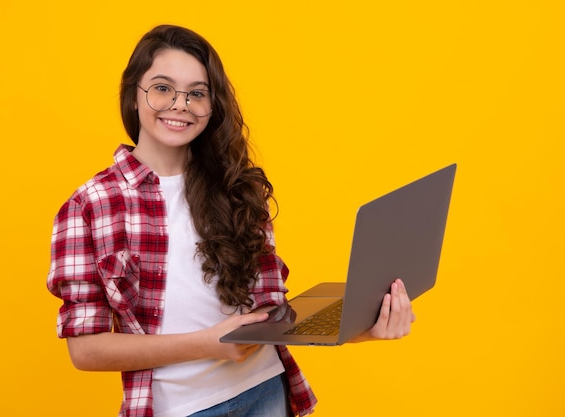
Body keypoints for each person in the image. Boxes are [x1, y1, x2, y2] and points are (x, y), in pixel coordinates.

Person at [47, 24, 415, 417]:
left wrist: (365, 327)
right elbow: (85, 349)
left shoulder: (236, 187)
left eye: (197, 93)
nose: (180, 104)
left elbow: (273, 315)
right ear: (133, 96)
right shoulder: (91, 205)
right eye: (162, 88)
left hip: (267, 391)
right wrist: (206, 344)